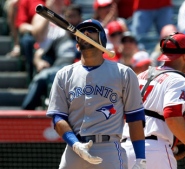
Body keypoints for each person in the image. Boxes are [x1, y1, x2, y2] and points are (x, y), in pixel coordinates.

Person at [46, 19, 146, 169]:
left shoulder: (123, 73)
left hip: (109, 148)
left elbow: (135, 118)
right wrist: (75, 144)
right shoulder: (64, 74)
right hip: (74, 149)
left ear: (102, 40)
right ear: (77, 44)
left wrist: (140, 159)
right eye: (81, 31)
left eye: (91, 30)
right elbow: (58, 117)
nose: (85, 33)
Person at [122, 32, 185, 168]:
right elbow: (172, 116)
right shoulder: (177, 80)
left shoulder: (141, 75)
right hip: (154, 149)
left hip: (125, 148)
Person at [21, 4, 82, 110]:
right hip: (60, 69)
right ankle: (26, 112)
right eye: (68, 16)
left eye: (74, 16)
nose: (71, 19)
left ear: (80, 18)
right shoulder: (58, 35)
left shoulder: (87, 36)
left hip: (81, 71)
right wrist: (39, 61)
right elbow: (39, 53)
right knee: (41, 77)